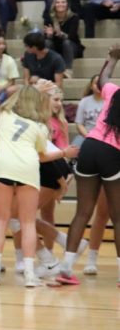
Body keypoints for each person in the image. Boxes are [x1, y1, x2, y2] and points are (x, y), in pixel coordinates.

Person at [0, 84, 74, 287]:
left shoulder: (6, 114)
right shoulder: (41, 126)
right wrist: (64, 153)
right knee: (27, 223)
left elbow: (7, 98)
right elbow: (42, 156)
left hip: (3, 168)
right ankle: (28, 274)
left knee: (0, 220)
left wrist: (32, 87)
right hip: (27, 169)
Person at [56, 44, 120, 285]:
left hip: (90, 146)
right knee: (117, 216)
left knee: (83, 211)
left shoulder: (113, 91)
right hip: (112, 152)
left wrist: (113, 58)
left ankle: (66, 267)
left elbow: (103, 78)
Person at [43, 0, 83, 75]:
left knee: (66, 43)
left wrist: (61, 34)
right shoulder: (49, 18)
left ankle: (68, 70)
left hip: (71, 46)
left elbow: (72, 36)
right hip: (55, 46)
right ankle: (49, 70)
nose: (60, 4)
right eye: (58, 2)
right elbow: (47, 38)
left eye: (63, 2)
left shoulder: (73, 17)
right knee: (47, 43)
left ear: (67, 4)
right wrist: (49, 35)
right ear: (54, 4)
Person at [74, 75, 104, 146]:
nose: (98, 85)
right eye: (96, 83)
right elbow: (79, 124)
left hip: (105, 136)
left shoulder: (110, 102)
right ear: (91, 86)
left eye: (101, 83)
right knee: (74, 147)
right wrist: (88, 136)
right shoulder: (84, 101)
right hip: (87, 134)